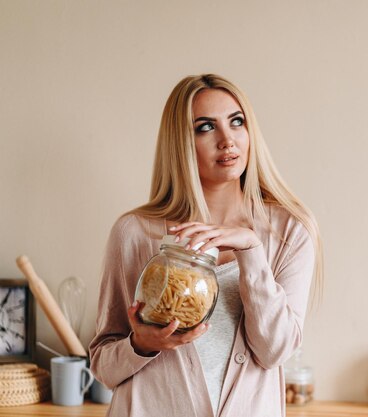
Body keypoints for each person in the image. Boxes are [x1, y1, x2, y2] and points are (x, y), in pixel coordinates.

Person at [89, 74, 323, 417]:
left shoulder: (289, 230)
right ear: (181, 142)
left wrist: (252, 254)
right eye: (205, 127)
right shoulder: (136, 233)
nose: (227, 140)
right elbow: (104, 368)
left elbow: (274, 352)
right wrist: (142, 345)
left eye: (237, 122)